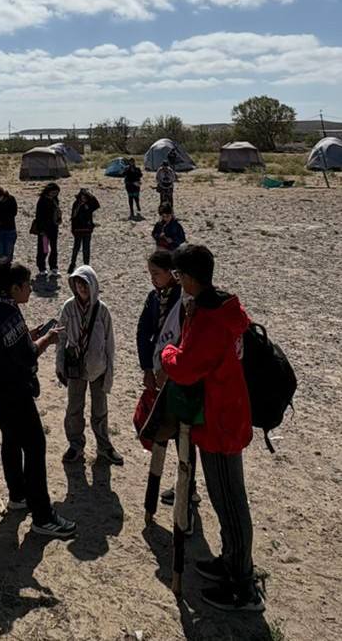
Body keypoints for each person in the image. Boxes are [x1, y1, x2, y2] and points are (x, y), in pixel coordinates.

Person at [161, 244, 264, 612]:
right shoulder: (226, 307)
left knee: (230, 501)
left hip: (219, 421)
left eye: (178, 276)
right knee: (228, 499)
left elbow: (185, 366)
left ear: (189, 278)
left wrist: (167, 352)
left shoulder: (209, 320)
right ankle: (232, 561)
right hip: (229, 411)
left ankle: (243, 586)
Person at [0, 261, 77, 538]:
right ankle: (43, 516)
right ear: (14, 288)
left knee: (11, 439)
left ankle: (18, 496)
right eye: (27, 284)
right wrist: (47, 338)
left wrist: (30, 335)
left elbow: (9, 347)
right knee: (35, 444)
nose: (31, 289)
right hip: (14, 391)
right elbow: (26, 355)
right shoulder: (8, 312)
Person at [135, 250, 198, 509]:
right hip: (159, 374)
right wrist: (148, 368)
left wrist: (169, 368)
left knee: (185, 435)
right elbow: (143, 332)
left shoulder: (183, 301)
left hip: (179, 376)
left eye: (156, 274)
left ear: (172, 274)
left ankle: (189, 488)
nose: (153, 279)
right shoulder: (154, 298)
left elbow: (186, 339)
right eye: (150, 274)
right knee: (162, 428)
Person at [55, 265, 123, 465]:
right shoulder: (68, 307)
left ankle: (104, 447)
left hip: (98, 368)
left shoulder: (102, 310)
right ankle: (76, 446)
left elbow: (109, 343)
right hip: (75, 367)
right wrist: (60, 365)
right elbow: (61, 337)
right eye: (78, 283)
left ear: (93, 285)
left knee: (100, 410)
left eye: (85, 283)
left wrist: (109, 372)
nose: (82, 287)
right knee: (74, 409)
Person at [67, 188, 100, 274]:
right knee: (76, 248)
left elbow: (97, 205)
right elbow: (73, 216)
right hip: (78, 229)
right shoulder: (76, 204)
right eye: (82, 196)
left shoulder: (89, 204)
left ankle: (86, 265)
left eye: (85, 197)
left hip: (87, 229)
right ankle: (72, 264)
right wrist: (79, 206)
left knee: (86, 248)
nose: (84, 198)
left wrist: (91, 195)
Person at [33, 182, 62, 278]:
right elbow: (39, 216)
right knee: (44, 249)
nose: (55, 194)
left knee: (54, 249)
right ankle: (42, 268)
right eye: (54, 192)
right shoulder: (42, 201)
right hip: (44, 230)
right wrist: (41, 230)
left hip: (54, 229)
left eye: (56, 193)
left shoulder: (55, 200)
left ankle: (54, 267)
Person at [0, 186, 18, 265]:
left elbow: (13, 213)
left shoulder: (11, 199)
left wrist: (0, 215)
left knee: (7, 254)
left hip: (10, 230)